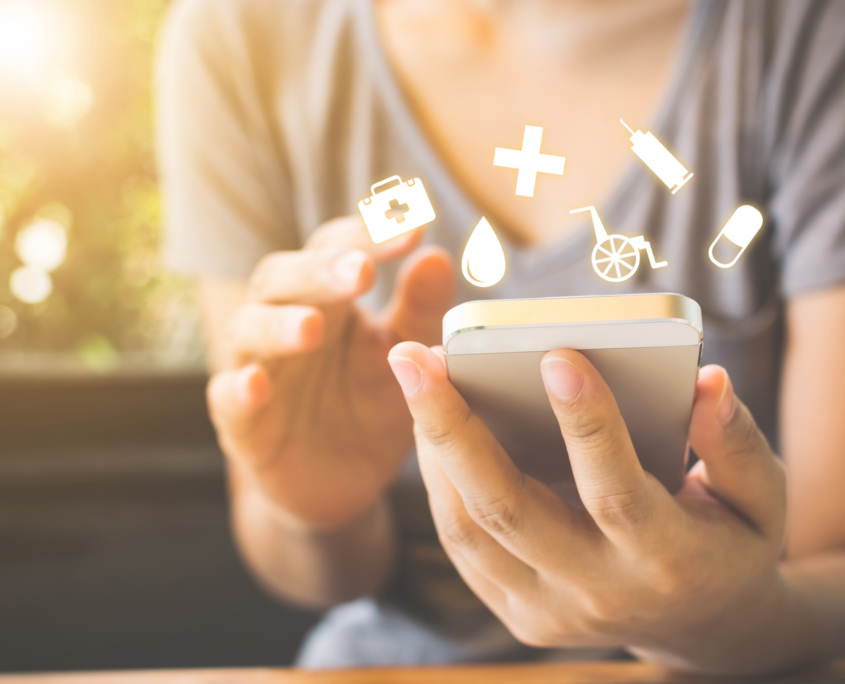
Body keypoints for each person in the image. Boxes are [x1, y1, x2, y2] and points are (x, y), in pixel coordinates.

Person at [156, 0, 845, 672]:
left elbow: (826, 571)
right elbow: (306, 570)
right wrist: (318, 512)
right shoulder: (242, 35)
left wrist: (725, 625)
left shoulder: (807, 30)